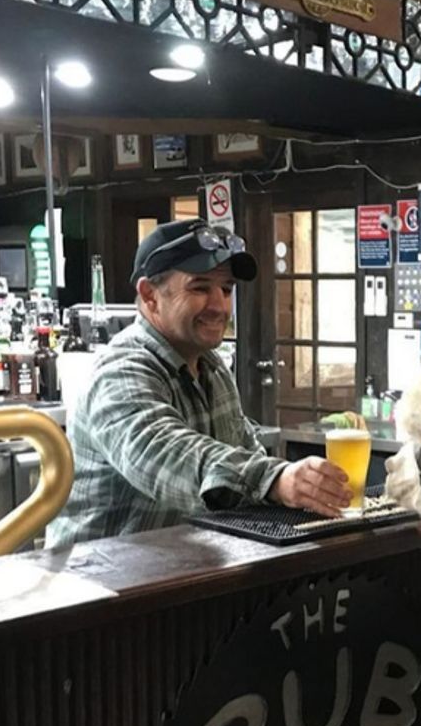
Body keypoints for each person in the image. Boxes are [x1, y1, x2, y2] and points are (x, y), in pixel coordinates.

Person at [45, 219, 352, 550]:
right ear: (150, 296)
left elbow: (244, 454)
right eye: (200, 287)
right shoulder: (120, 371)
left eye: (226, 289)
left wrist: (300, 485)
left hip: (180, 573)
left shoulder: (212, 366)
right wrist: (275, 479)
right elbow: (169, 457)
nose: (219, 305)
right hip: (98, 585)